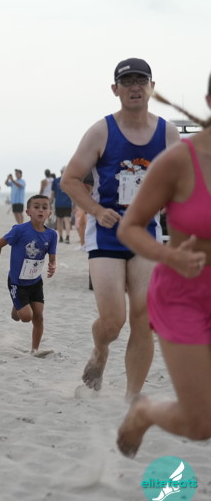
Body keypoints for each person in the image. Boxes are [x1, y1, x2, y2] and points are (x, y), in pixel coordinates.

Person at [62, 57, 179, 397]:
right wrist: (97, 210)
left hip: (145, 234)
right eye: (127, 82)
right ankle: (100, 351)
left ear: (152, 87)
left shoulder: (167, 133)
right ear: (115, 89)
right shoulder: (101, 131)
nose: (134, 87)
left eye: (141, 80)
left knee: (144, 320)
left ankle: (131, 398)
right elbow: (70, 179)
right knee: (114, 322)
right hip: (107, 234)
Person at [115, 79, 211, 458]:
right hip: (185, 295)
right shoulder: (179, 161)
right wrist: (170, 256)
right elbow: (130, 227)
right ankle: (144, 412)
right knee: (201, 424)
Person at [0, 195, 58, 356]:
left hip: (35, 282)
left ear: (49, 213)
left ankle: (34, 350)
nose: (40, 210)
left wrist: (53, 266)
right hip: (17, 282)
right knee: (25, 317)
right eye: (36, 207)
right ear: (28, 212)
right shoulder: (19, 230)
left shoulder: (52, 235)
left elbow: (52, 257)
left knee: (38, 316)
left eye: (44, 207)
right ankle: (17, 305)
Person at [51, 167, 73, 243]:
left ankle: (60, 237)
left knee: (59, 221)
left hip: (59, 203)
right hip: (67, 203)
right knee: (67, 221)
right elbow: (72, 193)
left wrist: (50, 202)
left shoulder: (56, 180)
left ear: (61, 172)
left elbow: (53, 193)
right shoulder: (70, 181)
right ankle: (67, 237)